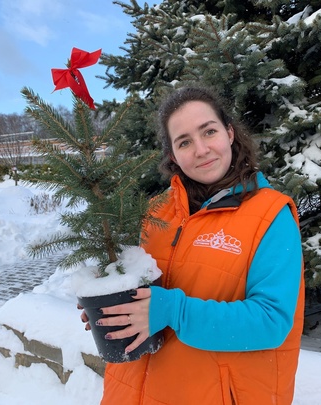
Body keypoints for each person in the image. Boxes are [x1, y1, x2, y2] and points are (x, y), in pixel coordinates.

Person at [81, 86, 304, 405]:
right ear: (173, 155)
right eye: (184, 141)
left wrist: (173, 311)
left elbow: (271, 322)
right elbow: (141, 285)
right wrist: (112, 305)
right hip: (131, 392)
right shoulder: (157, 211)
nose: (201, 149)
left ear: (229, 133)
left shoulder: (270, 215)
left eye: (209, 131)